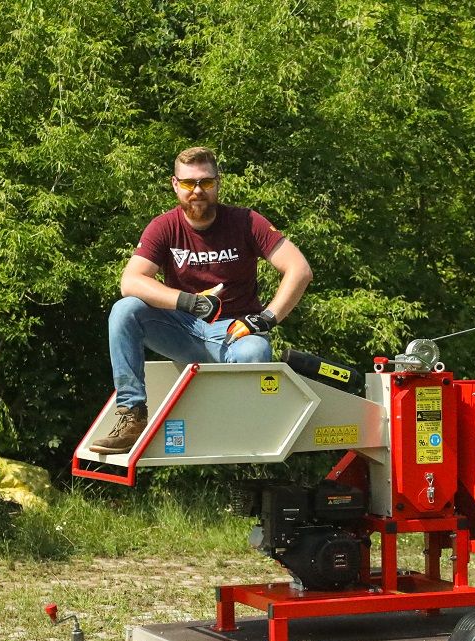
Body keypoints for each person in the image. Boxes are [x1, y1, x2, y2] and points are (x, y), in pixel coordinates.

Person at [90, 146, 313, 454]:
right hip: (183, 330)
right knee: (125, 309)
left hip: (234, 333)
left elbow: (299, 269)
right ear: (175, 185)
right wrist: (187, 302)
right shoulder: (164, 226)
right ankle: (132, 414)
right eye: (188, 183)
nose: (197, 191)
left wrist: (266, 318)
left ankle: (238, 428)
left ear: (218, 183)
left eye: (206, 183)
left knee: (257, 350)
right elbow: (130, 281)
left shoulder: (247, 222)